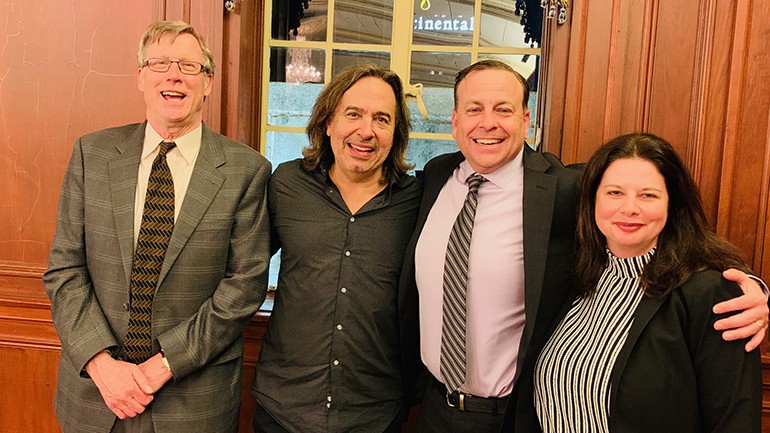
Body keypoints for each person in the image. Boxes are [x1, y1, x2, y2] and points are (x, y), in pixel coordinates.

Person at [398, 59, 769, 433]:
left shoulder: (564, 189)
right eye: (474, 109)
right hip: (434, 407)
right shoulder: (437, 177)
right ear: (456, 121)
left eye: (504, 110)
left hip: (513, 416)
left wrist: (749, 287)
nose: (488, 122)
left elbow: (648, 223)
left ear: (526, 120)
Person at [43, 21, 271, 433]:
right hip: (95, 396)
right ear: (142, 77)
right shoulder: (90, 155)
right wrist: (100, 364)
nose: (174, 74)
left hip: (192, 401)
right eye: (160, 62)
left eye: (189, 65)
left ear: (207, 83)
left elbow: (245, 284)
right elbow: (65, 269)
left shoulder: (246, 171)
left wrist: (165, 364)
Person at [530, 133, 761, 432]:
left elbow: (736, 419)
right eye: (614, 193)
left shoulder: (710, 294)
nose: (630, 208)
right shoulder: (573, 278)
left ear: (672, 204)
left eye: (648, 195)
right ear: (592, 198)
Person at [251, 64, 421, 432]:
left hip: (374, 414)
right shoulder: (286, 184)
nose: (366, 130)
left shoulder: (418, 201)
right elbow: (242, 265)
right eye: (353, 114)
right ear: (328, 122)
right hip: (284, 408)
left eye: (382, 119)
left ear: (396, 133)